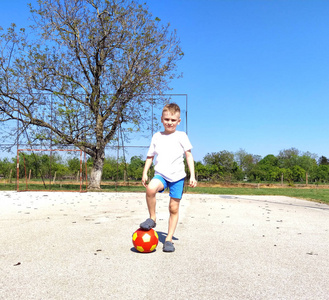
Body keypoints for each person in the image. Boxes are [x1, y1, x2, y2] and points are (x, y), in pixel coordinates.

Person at [140, 103, 197, 252]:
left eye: (173, 120)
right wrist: (145, 172)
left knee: (173, 208)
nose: (169, 122)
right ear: (161, 119)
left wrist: (192, 175)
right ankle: (152, 219)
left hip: (178, 177)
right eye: (167, 119)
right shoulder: (157, 136)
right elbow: (150, 156)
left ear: (178, 121)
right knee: (150, 189)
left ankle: (169, 239)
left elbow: (189, 155)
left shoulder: (181, 136)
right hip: (161, 174)